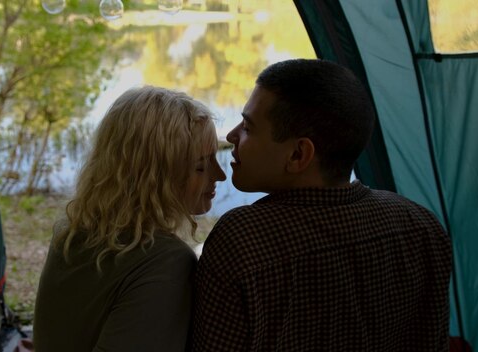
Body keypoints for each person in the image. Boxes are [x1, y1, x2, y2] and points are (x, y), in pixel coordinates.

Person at [192, 59, 452, 351]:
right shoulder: (423, 227)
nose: (231, 136)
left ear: (298, 154)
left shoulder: (242, 239)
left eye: (249, 128)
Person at [33, 86, 226, 352]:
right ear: (156, 177)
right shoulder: (166, 262)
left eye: (216, 158)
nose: (219, 175)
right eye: (201, 166)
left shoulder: (72, 229)